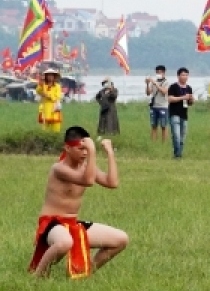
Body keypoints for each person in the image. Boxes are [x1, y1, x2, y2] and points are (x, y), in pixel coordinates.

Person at [30, 126, 128, 278]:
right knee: (64, 243)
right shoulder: (58, 168)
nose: (84, 153)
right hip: (51, 223)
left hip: (72, 223)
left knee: (121, 239)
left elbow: (112, 182)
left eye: (86, 150)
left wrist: (109, 153)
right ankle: (38, 276)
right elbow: (88, 181)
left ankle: (85, 273)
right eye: (81, 149)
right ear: (67, 148)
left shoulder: (86, 167)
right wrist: (93, 151)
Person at [167, 68, 195, 159]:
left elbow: (189, 103)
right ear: (178, 76)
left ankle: (179, 153)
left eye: (186, 75)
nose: (185, 77)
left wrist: (191, 100)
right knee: (176, 135)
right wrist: (182, 97)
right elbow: (170, 99)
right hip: (174, 113)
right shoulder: (173, 87)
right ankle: (177, 155)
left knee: (182, 137)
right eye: (183, 75)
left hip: (184, 114)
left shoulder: (189, 88)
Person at [35, 66, 64, 133]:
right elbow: (38, 91)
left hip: (54, 107)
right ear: (46, 76)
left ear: (54, 77)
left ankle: (55, 139)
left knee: (56, 127)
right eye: (48, 75)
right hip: (45, 107)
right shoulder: (43, 85)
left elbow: (57, 97)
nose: (50, 77)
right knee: (45, 127)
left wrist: (48, 95)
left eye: (51, 75)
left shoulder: (57, 86)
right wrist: (41, 85)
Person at [146, 65, 170, 143]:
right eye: (157, 72)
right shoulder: (153, 82)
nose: (158, 74)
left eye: (160, 72)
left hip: (163, 106)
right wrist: (147, 84)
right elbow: (148, 93)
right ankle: (153, 142)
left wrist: (156, 84)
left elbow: (164, 92)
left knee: (164, 126)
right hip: (154, 106)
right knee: (153, 126)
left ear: (164, 73)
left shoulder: (167, 82)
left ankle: (164, 142)